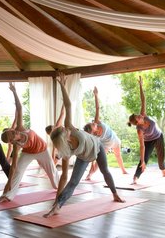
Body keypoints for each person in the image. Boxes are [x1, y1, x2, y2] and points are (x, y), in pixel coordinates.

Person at [44, 73, 124, 218]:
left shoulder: (69, 127)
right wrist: (57, 200)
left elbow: (68, 105)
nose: (66, 128)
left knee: (105, 171)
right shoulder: (66, 152)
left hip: (97, 148)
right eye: (64, 131)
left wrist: (62, 85)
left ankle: (115, 194)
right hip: (84, 157)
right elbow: (64, 177)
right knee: (73, 182)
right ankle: (58, 207)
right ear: (64, 139)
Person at [0, 83, 59, 203]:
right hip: (28, 153)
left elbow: (19, 108)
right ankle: (8, 196)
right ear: (12, 141)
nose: (14, 132)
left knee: (52, 171)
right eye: (12, 135)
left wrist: (14, 92)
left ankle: (59, 187)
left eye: (11, 131)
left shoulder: (20, 127)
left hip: (42, 150)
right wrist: (8, 183)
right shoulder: (16, 146)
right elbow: (14, 166)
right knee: (18, 171)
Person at [127, 76, 165, 184]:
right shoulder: (139, 130)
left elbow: (143, 100)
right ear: (137, 122)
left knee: (161, 156)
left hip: (158, 136)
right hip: (148, 141)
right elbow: (142, 146)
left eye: (138, 115)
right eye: (138, 117)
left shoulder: (143, 114)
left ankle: (164, 172)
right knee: (144, 159)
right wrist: (143, 160)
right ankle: (135, 178)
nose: (140, 116)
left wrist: (140, 85)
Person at [83, 86, 127, 180]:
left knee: (118, 155)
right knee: (99, 162)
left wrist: (96, 95)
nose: (94, 123)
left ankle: (123, 170)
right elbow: (93, 156)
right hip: (105, 145)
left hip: (114, 139)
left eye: (92, 123)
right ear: (93, 131)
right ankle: (89, 175)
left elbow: (97, 108)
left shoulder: (97, 122)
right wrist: (91, 168)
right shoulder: (94, 137)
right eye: (92, 125)